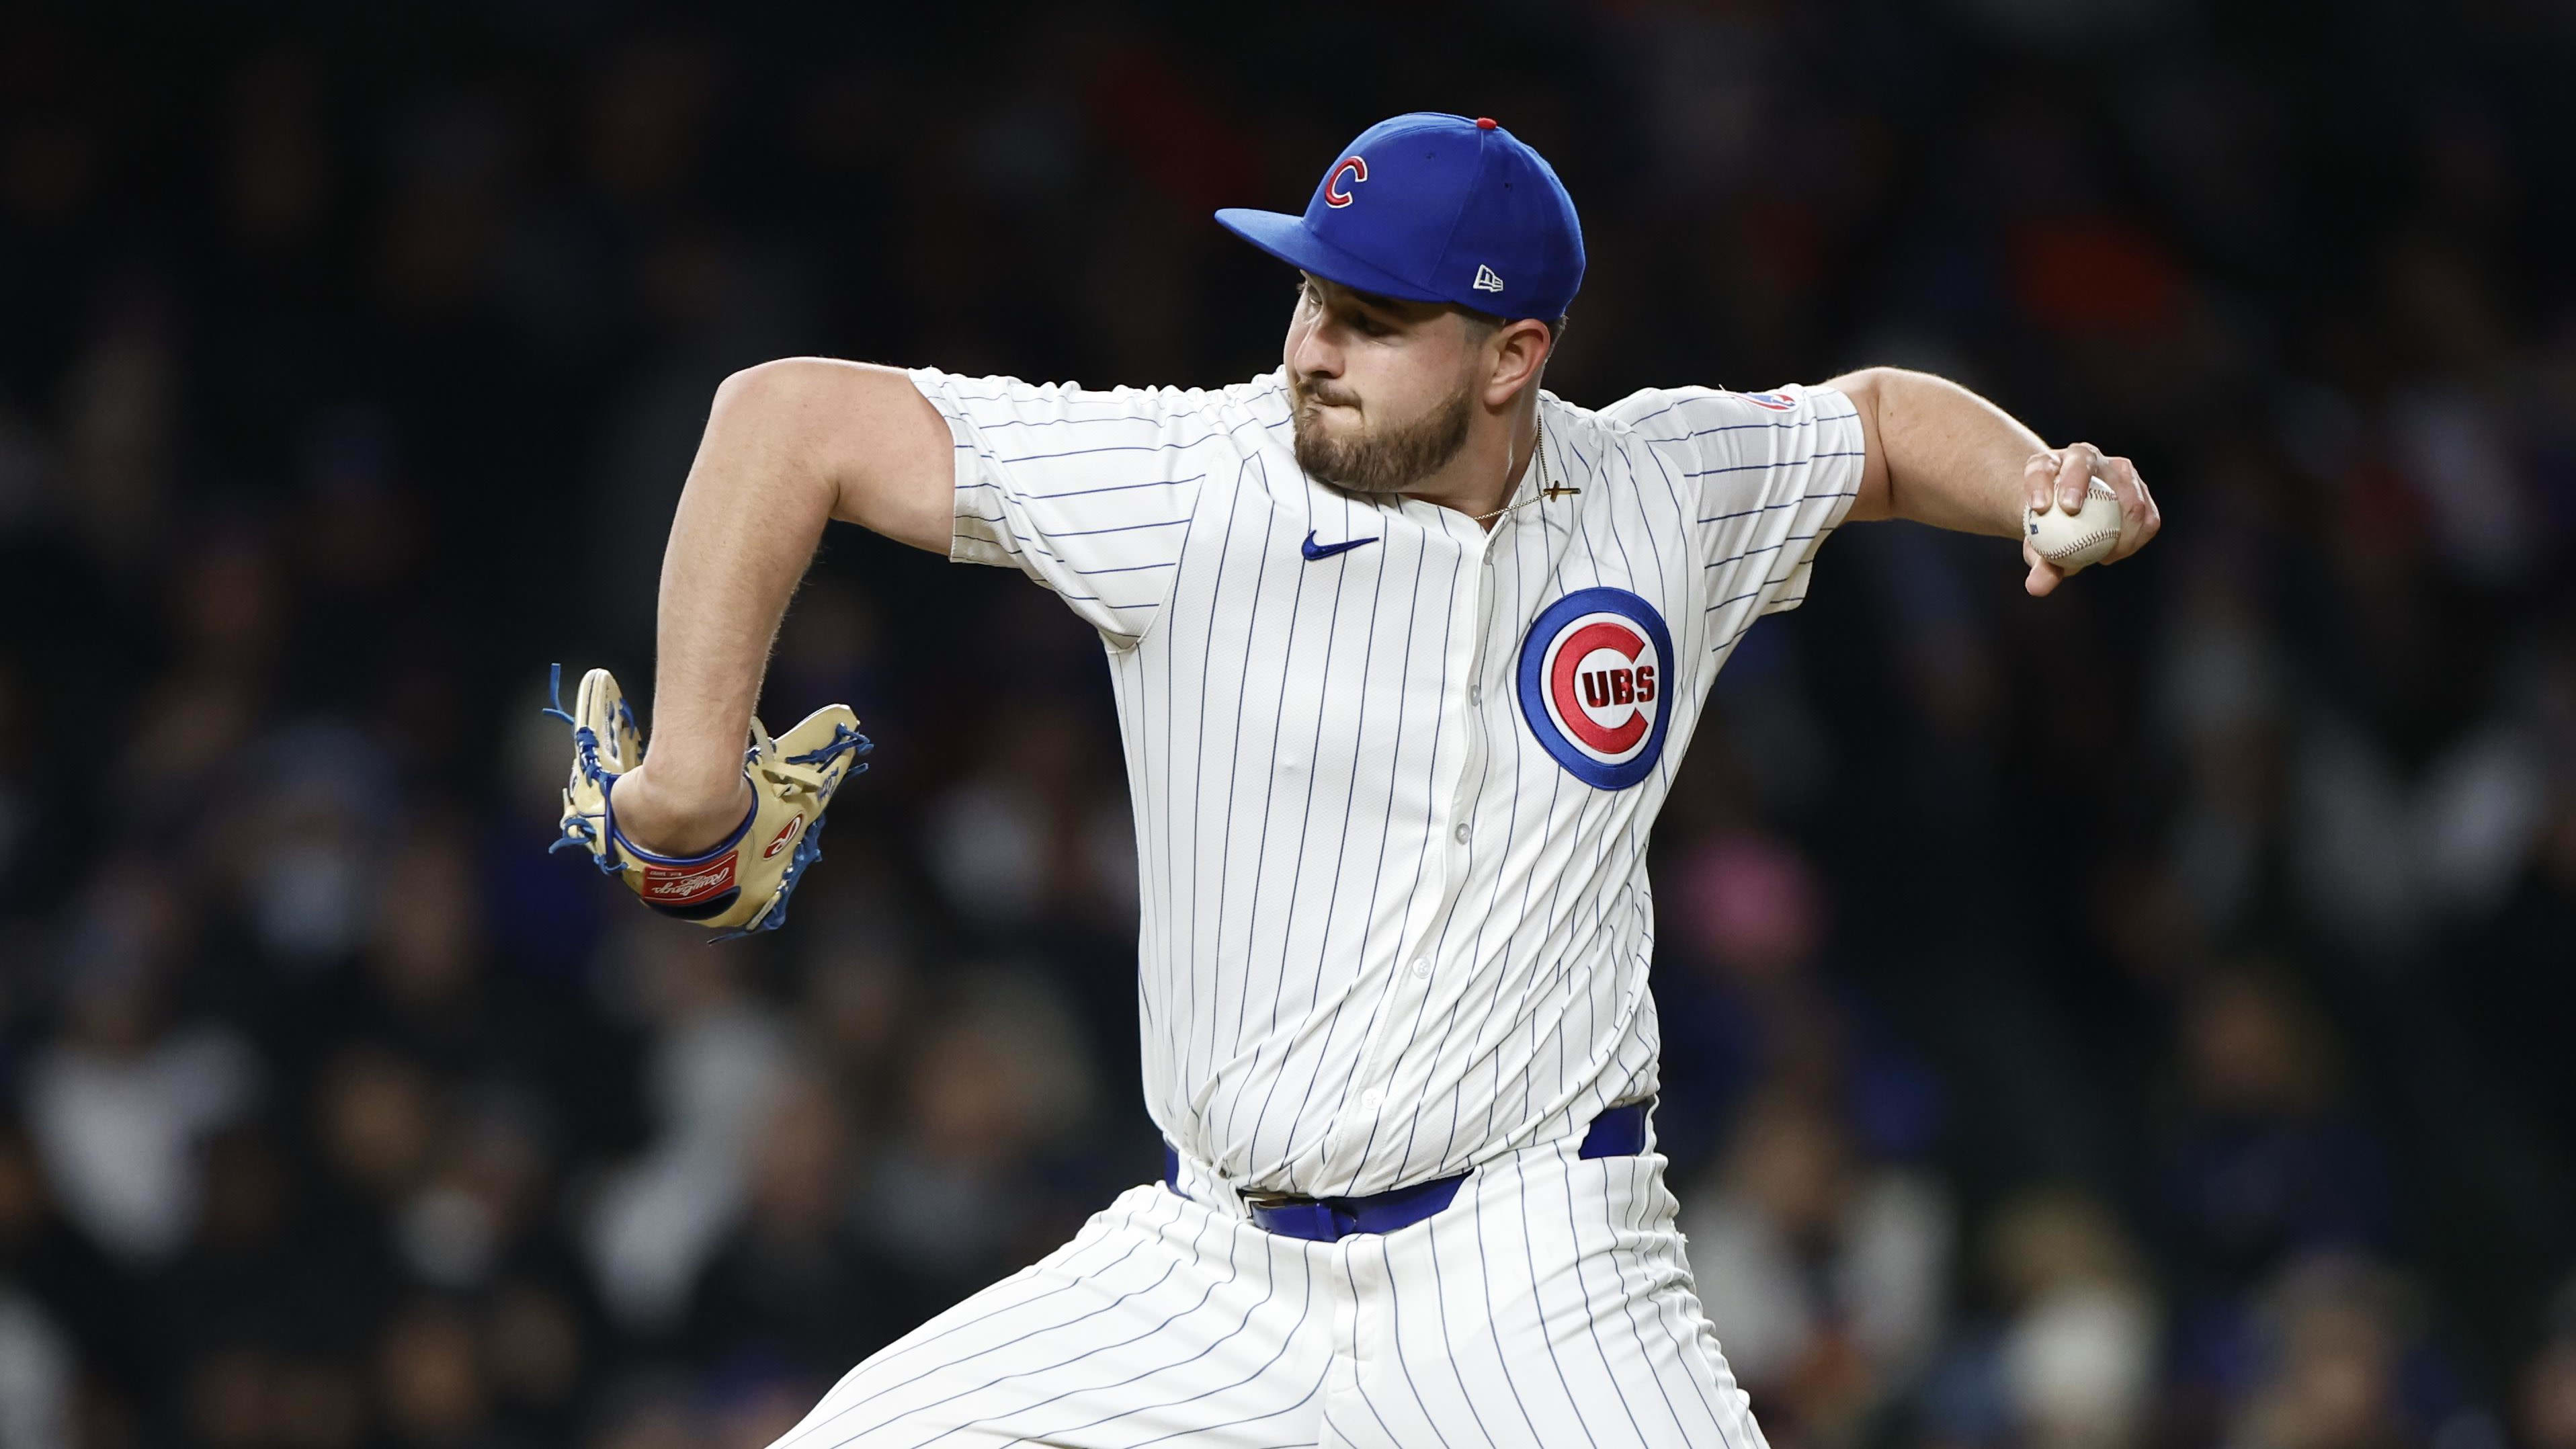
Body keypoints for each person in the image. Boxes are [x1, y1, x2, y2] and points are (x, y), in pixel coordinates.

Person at [601, 112, 2160, 1448]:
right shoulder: (1192, 485)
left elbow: (1876, 428)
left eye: (1372, 318)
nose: (1311, 348)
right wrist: (687, 778)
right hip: (1207, 1269)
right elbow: (784, 417)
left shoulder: (1659, 489)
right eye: (1309, 296)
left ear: (1514, 357)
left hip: (1543, 1264)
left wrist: (2034, 475)